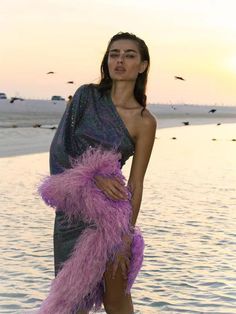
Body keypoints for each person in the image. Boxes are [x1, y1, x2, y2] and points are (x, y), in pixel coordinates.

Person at [41, 32, 156, 314]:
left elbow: (136, 184)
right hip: (73, 214)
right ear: (107, 60)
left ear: (142, 65)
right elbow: (59, 150)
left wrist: (127, 232)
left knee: (116, 301)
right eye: (114, 53)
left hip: (112, 217)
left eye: (129, 55)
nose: (120, 60)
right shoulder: (85, 96)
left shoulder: (145, 121)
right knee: (71, 301)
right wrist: (92, 176)